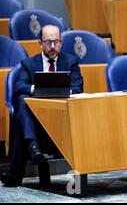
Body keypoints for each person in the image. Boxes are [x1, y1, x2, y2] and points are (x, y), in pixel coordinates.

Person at [0, 25, 83, 187]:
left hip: (62, 118)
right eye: (48, 42)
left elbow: (78, 88)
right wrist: (37, 90)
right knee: (23, 100)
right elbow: (19, 87)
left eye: (56, 42)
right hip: (36, 121)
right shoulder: (28, 64)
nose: (52, 47)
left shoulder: (71, 62)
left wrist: (58, 92)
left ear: (61, 42)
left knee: (20, 119)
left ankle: (22, 164)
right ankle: (33, 146)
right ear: (40, 43)